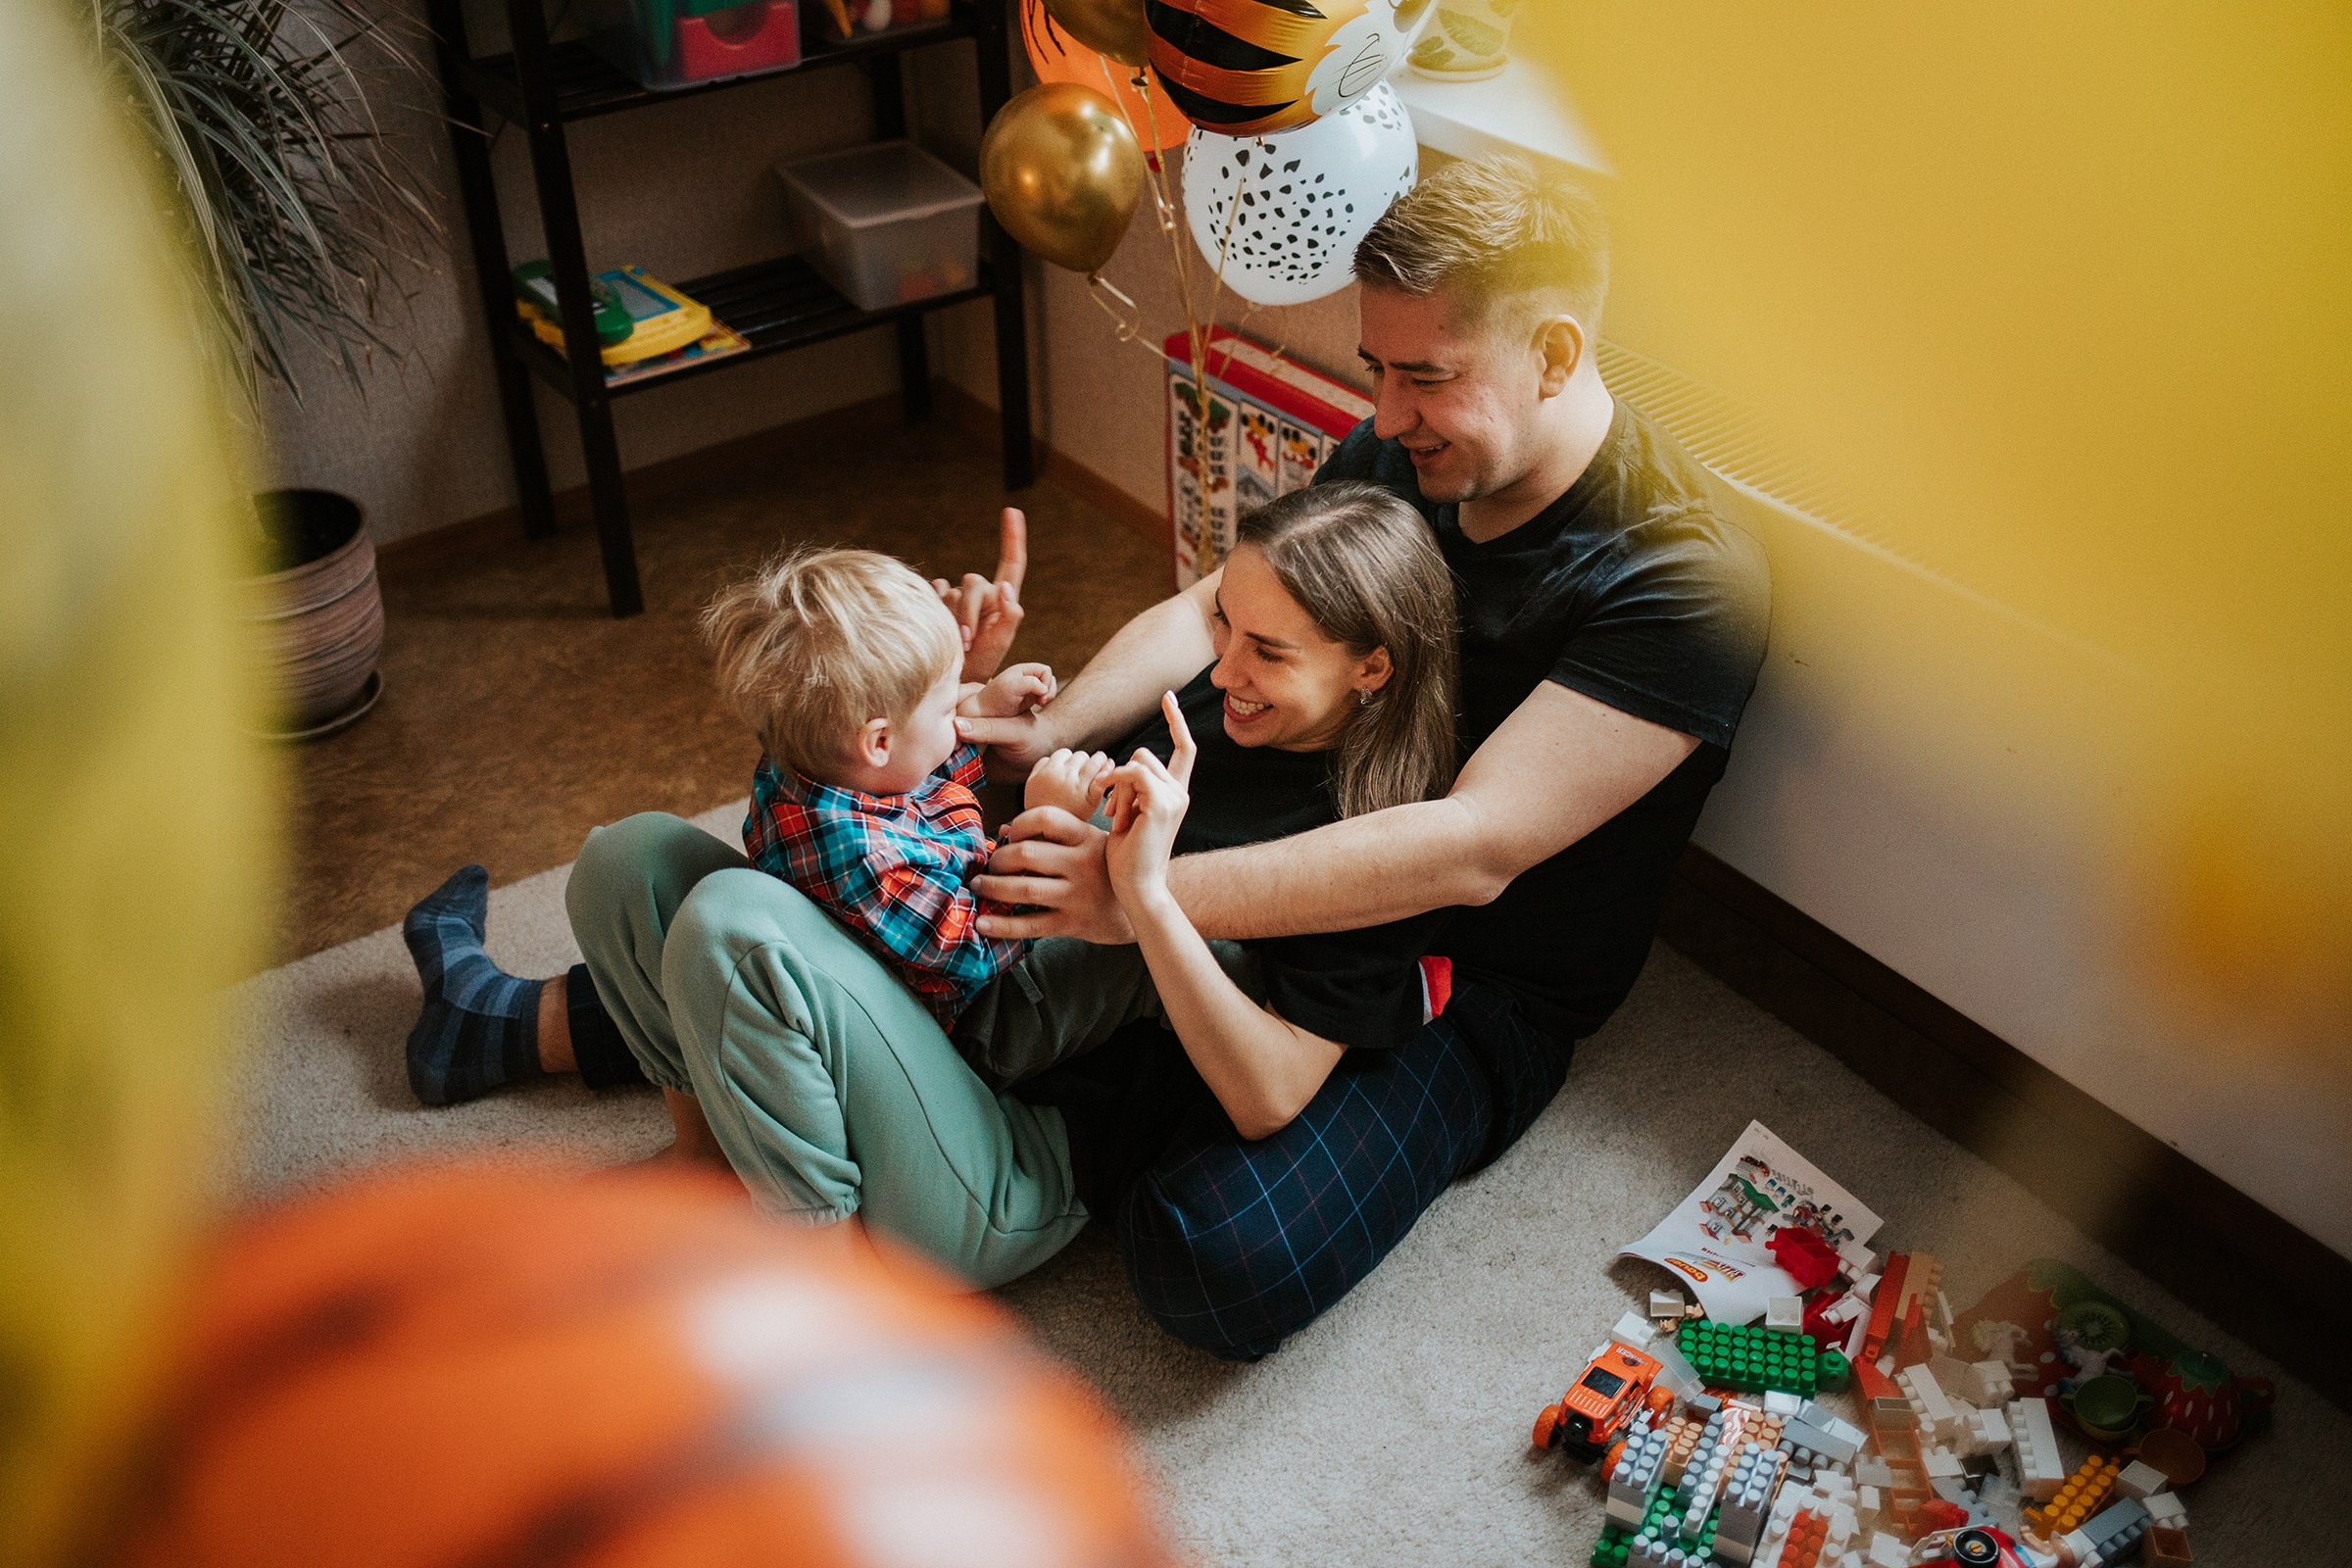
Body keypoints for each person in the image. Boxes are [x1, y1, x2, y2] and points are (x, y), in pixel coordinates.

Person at [954, 155, 1772, 1351]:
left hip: (1471, 970)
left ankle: (1076, 1078)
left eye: (1426, 378)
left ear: (1552, 355)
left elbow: (1473, 848)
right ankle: (626, 1011)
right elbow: (1208, 613)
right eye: (1377, 370)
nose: (1382, 417)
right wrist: (1058, 726)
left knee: (1213, 1257)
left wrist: (1139, 904)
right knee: (959, 793)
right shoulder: (1406, 452)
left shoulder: (1687, 580)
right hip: (1292, 796)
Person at [399, 484, 1474, 1347]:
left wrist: (1141, 894)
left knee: (735, 927)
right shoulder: (1215, 700)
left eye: (1268, 653)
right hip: (960, 1024)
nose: (1225, 667)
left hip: (1015, 1147)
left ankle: (824, 1309)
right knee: (625, 859)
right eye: (1225, 625)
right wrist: (967, 701)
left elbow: (1271, 1099)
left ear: (1372, 668)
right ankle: (705, 1166)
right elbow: (932, 833)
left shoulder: (1363, 845)